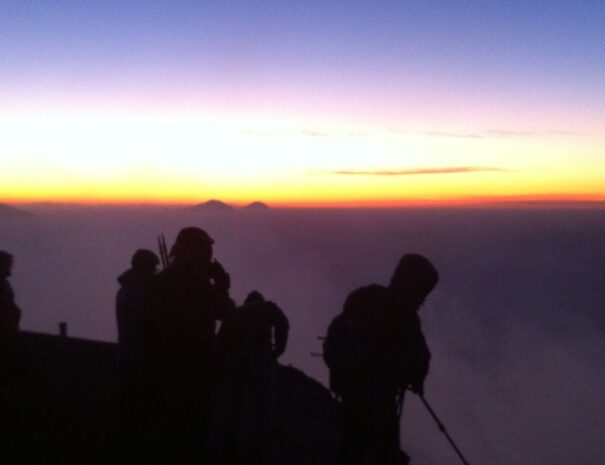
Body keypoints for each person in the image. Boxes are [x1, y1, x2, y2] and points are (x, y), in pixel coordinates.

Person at [323, 254, 439, 465]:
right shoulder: (407, 319)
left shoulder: (367, 299)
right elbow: (421, 356)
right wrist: (416, 379)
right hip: (379, 399)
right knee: (383, 452)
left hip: (354, 392)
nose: (421, 300)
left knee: (352, 448)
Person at [140, 227, 234, 464]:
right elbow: (225, 312)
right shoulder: (197, 283)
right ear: (197, 253)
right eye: (206, 252)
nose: (209, 258)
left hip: (163, 368)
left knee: (169, 433)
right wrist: (222, 285)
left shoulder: (161, 281)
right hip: (194, 368)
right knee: (194, 433)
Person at [215, 290, 289, 464]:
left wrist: (222, 363)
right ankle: (261, 446)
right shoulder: (267, 307)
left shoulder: (236, 312)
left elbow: (222, 338)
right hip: (259, 354)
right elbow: (283, 323)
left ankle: (229, 444)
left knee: (234, 402)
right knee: (262, 403)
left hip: (236, 358)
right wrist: (277, 351)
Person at [115, 249, 159, 459]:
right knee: (139, 412)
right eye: (152, 268)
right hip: (138, 359)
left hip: (129, 356)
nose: (155, 272)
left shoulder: (129, 289)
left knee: (132, 411)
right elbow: (148, 324)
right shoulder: (136, 293)